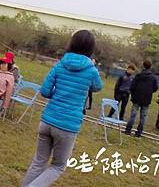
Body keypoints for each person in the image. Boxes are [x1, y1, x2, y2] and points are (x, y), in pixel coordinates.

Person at [22, 30, 103, 187]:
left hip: (47, 121)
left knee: (38, 162)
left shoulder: (59, 65)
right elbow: (97, 87)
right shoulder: (91, 70)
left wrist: (59, 94)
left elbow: (45, 91)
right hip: (68, 125)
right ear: (90, 48)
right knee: (58, 166)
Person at [125, 60, 158, 137]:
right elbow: (155, 88)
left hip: (137, 98)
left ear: (143, 66)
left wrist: (134, 94)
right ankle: (139, 132)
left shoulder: (138, 76)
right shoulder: (153, 78)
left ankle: (128, 130)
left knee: (133, 115)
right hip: (146, 99)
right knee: (143, 117)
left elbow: (132, 87)